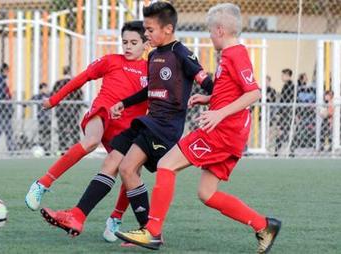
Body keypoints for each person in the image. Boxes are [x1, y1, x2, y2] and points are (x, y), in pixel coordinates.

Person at [39, 2, 213, 242]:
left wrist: (211, 99)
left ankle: (150, 232)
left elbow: (208, 82)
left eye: (150, 30)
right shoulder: (154, 55)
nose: (147, 34)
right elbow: (150, 90)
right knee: (113, 162)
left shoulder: (182, 54)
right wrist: (126, 103)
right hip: (148, 122)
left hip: (165, 128)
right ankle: (77, 216)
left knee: (127, 168)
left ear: (168, 29)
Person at [115, 4, 281, 253]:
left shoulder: (236, 54)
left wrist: (219, 113)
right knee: (207, 193)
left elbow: (254, 92)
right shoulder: (228, 55)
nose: (210, 36)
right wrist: (209, 100)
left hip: (222, 133)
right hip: (229, 133)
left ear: (220, 30)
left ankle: (153, 231)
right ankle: (264, 226)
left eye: (210, 31)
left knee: (165, 165)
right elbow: (230, 91)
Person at [25, 22, 151, 240]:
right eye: (124, 42)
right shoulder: (111, 60)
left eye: (133, 43)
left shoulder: (151, 70)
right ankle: (42, 183)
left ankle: (115, 219)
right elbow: (81, 78)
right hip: (102, 112)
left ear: (146, 44)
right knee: (91, 141)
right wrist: (54, 100)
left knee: (130, 171)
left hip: (128, 127)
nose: (128, 47)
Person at [53, 67, 84, 153]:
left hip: (61, 109)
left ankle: (62, 148)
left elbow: (53, 95)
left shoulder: (58, 83)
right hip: (73, 109)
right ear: (70, 72)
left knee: (62, 128)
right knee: (74, 129)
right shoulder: (75, 82)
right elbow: (80, 96)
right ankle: (76, 148)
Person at [0, 63, 15, 155]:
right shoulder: (0, 80)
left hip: (2, 109)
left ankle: (10, 150)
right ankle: (9, 150)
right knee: (2, 130)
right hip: (3, 110)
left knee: (5, 130)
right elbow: (2, 96)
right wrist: (7, 107)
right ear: (5, 70)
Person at [275, 68, 295, 155]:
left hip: (286, 112)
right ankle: (289, 149)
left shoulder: (289, 86)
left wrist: (280, 112)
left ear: (287, 75)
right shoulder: (288, 86)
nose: (281, 77)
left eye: (283, 75)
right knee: (285, 131)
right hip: (286, 111)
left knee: (282, 130)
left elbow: (285, 100)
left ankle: (278, 150)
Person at [31, 83, 52, 153]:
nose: (47, 90)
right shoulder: (38, 96)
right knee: (42, 134)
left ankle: (48, 149)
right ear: (41, 89)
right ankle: (42, 148)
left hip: (48, 118)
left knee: (48, 134)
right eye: (45, 88)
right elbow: (30, 100)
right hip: (41, 118)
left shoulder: (49, 95)